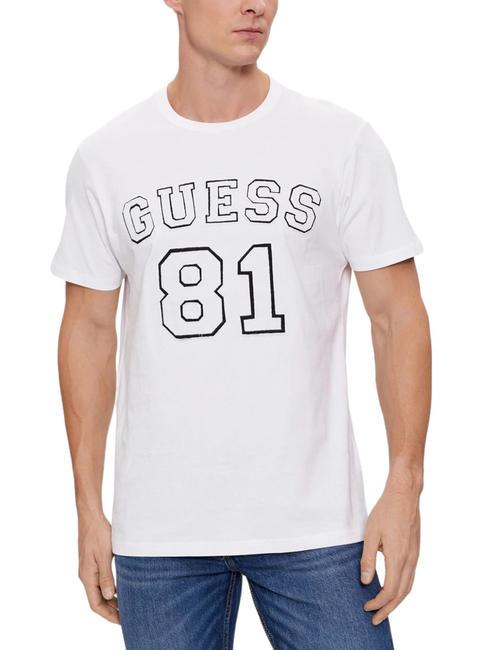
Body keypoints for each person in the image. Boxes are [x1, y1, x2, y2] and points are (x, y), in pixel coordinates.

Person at [50, 0, 431, 648]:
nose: (255, 4)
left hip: (315, 524)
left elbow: (397, 316)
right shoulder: (107, 157)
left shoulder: (341, 143)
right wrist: (87, 505)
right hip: (161, 534)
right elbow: (88, 329)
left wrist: (405, 482)